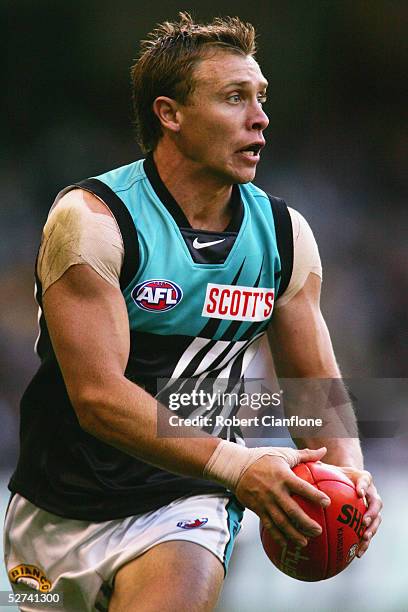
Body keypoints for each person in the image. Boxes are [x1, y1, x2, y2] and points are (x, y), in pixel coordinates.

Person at [4, 13, 382, 612]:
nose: (260, 117)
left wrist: (350, 478)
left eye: (261, 99)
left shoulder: (284, 237)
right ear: (170, 114)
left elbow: (314, 391)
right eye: (235, 98)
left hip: (188, 500)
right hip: (55, 514)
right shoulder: (93, 222)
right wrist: (244, 465)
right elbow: (99, 398)